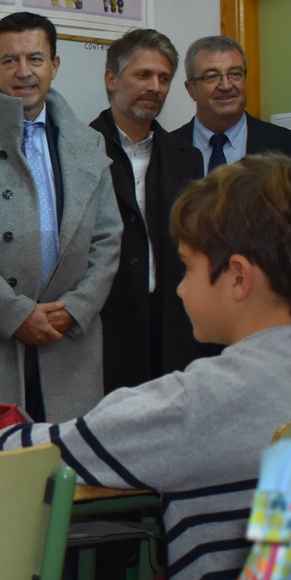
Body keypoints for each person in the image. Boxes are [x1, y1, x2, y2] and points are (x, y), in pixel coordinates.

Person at [0, 156, 291, 580]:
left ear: (238, 277)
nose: (181, 289)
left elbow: (40, 453)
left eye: (187, 268)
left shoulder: (199, 400)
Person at [0, 11, 121, 421]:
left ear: (54, 65)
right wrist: (15, 314)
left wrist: (77, 307)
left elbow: (109, 237)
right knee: (0, 471)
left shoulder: (89, 142)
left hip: (70, 336)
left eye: (35, 59)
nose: (24, 72)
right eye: (10, 61)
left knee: (70, 469)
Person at [89, 29, 204, 393]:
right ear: (111, 78)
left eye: (164, 78)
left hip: (173, 326)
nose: (155, 87)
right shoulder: (78, 151)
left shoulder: (187, 157)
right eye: (143, 75)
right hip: (106, 326)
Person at [173, 36, 291, 171]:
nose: (226, 86)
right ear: (191, 90)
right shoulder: (166, 149)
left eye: (235, 74)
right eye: (211, 76)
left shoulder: (286, 145)